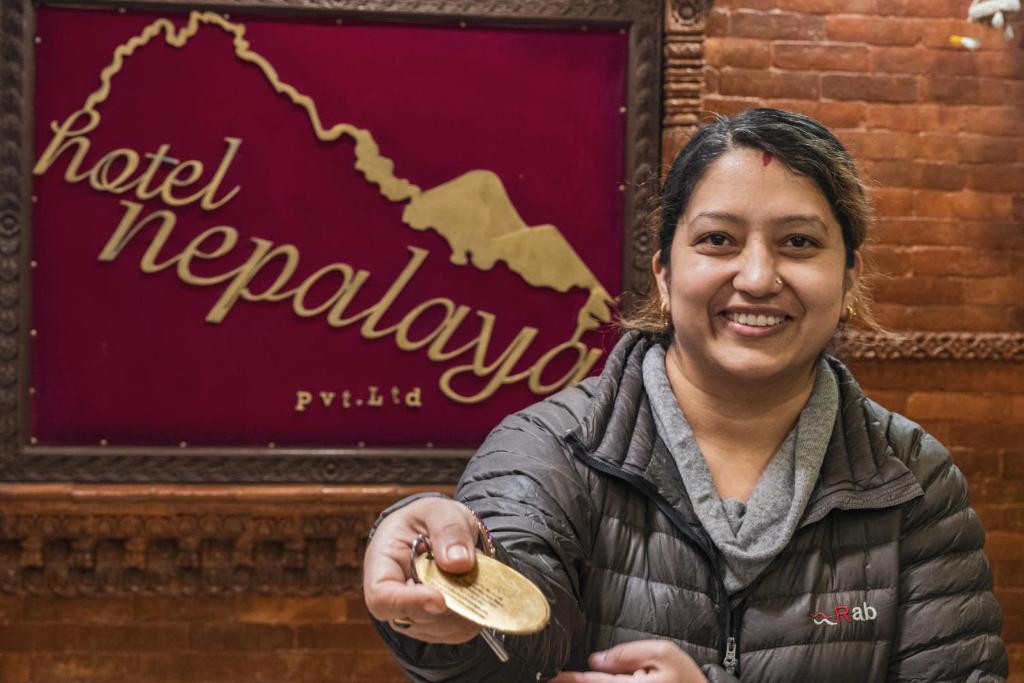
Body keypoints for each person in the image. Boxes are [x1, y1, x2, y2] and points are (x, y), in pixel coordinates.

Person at [362, 108, 1009, 682]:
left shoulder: (914, 479)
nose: (757, 277)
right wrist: (449, 601)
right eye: (718, 240)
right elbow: (511, 631)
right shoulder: (549, 448)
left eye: (799, 243)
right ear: (665, 275)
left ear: (847, 279)